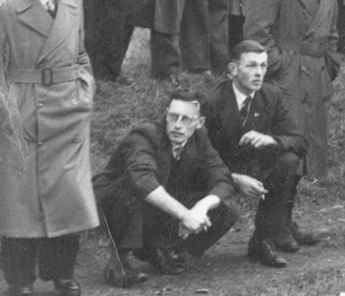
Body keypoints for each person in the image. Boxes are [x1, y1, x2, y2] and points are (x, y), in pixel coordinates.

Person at [0, 0, 97, 296]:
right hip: (22, 110)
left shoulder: (74, 3)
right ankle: (19, 278)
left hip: (69, 110)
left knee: (69, 194)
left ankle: (62, 273)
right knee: (20, 200)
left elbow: (81, 55)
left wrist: (85, 93)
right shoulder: (6, 6)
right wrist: (3, 116)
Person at [93, 87, 237, 281]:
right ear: (166, 115)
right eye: (173, 116)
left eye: (186, 119)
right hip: (114, 200)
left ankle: (169, 250)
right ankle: (119, 262)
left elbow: (222, 178)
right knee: (132, 188)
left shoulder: (200, 139)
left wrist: (200, 208)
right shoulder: (145, 135)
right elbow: (142, 180)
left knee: (226, 208)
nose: (177, 125)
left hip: (158, 199)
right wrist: (185, 215)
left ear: (200, 123)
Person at [243, 0, 345, 179]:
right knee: (286, 157)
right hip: (286, 76)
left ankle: (314, 180)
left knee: (312, 153)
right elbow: (256, 33)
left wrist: (328, 65)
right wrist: (279, 66)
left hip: (316, 74)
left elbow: (331, 32)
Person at [202, 40, 309, 268]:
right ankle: (177, 244)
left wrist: (271, 140)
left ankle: (262, 240)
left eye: (263, 66)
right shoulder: (212, 101)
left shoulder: (271, 95)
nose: (259, 73)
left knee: (288, 160)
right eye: (251, 66)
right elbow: (200, 154)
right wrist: (232, 178)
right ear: (233, 70)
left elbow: (299, 140)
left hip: (252, 165)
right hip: (216, 171)